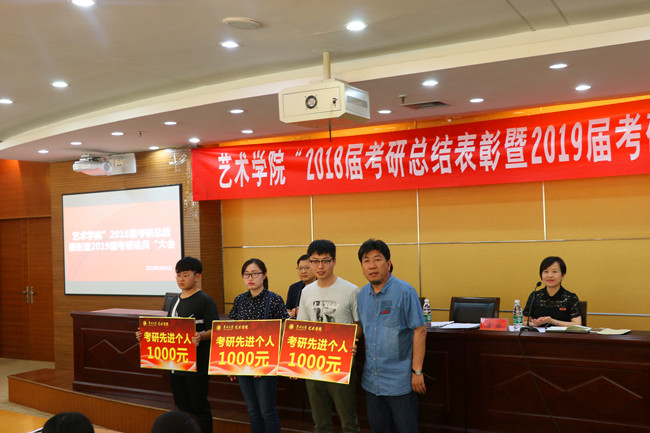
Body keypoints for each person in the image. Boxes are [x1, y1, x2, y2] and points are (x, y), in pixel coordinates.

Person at [136, 257, 219, 433]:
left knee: (199, 406)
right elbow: (168, 329)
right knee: (182, 407)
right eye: (178, 275)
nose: (181, 279)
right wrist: (145, 335)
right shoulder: (174, 300)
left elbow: (215, 330)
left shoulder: (205, 300)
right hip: (175, 364)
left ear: (197, 277)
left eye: (186, 275)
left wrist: (201, 336)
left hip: (197, 365)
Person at [356, 239, 426, 433]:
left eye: (377, 259)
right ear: (362, 267)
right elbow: (362, 327)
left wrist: (417, 372)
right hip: (372, 381)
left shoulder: (405, 291)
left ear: (388, 263)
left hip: (400, 381)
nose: (372, 265)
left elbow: (419, 331)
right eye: (366, 260)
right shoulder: (362, 295)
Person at [297, 239, 360, 433]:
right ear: (309, 262)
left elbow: (359, 324)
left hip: (341, 360)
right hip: (313, 363)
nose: (320, 266)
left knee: (348, 423)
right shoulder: (306, 291)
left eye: (325, 261)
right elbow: (302, 328)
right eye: (315, 261)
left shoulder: (350, 290)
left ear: (334, 261)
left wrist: (354, 341)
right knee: (321, 423)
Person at [228, 258, 290, 433]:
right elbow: (230, 332)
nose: (250, 278)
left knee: (267, 411)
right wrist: (229, 364)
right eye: (246, 274)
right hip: (242, 363)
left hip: (266, 363)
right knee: (252, 411)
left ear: (264, 275)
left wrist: (267, 363)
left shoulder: (274, 299)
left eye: (255, 273)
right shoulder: (239, 300)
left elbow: (284, 331)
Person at [523, 256, 582, 327]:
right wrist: (536, 324)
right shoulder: (535, 296)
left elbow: (577, 324)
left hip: (562, 334)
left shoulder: (571, 298)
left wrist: (551, 321)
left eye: (554, 272)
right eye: (546, 271)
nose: (550, 275)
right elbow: (524, 321)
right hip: (538, 333)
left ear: (563, 275)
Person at [286, 254, 316, 318]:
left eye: (307, 268)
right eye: (300, 268)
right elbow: (288, 311)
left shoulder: (323, 286)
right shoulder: (293, 288)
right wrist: (293, 312)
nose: (303, 271)